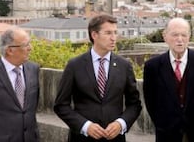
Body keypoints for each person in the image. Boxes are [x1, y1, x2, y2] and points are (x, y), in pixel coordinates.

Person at [54, 13, 142, 142]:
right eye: (108, 33)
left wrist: (121, 123)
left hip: (115, 138)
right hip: (82, 138)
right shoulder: (75, 65)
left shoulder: (124, 66)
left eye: (115, 32)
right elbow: (61, 105)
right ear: (94, 35)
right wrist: (85, 126)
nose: (114, 38)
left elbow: (134, 104)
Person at [143, 17, 194, 142]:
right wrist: (163, 125)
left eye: (184, 35)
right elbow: (150, 101)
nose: (180, 39)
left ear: (189, 37)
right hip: (167, 135)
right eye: (175, 35)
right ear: (165, 36)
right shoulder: (152, 67)